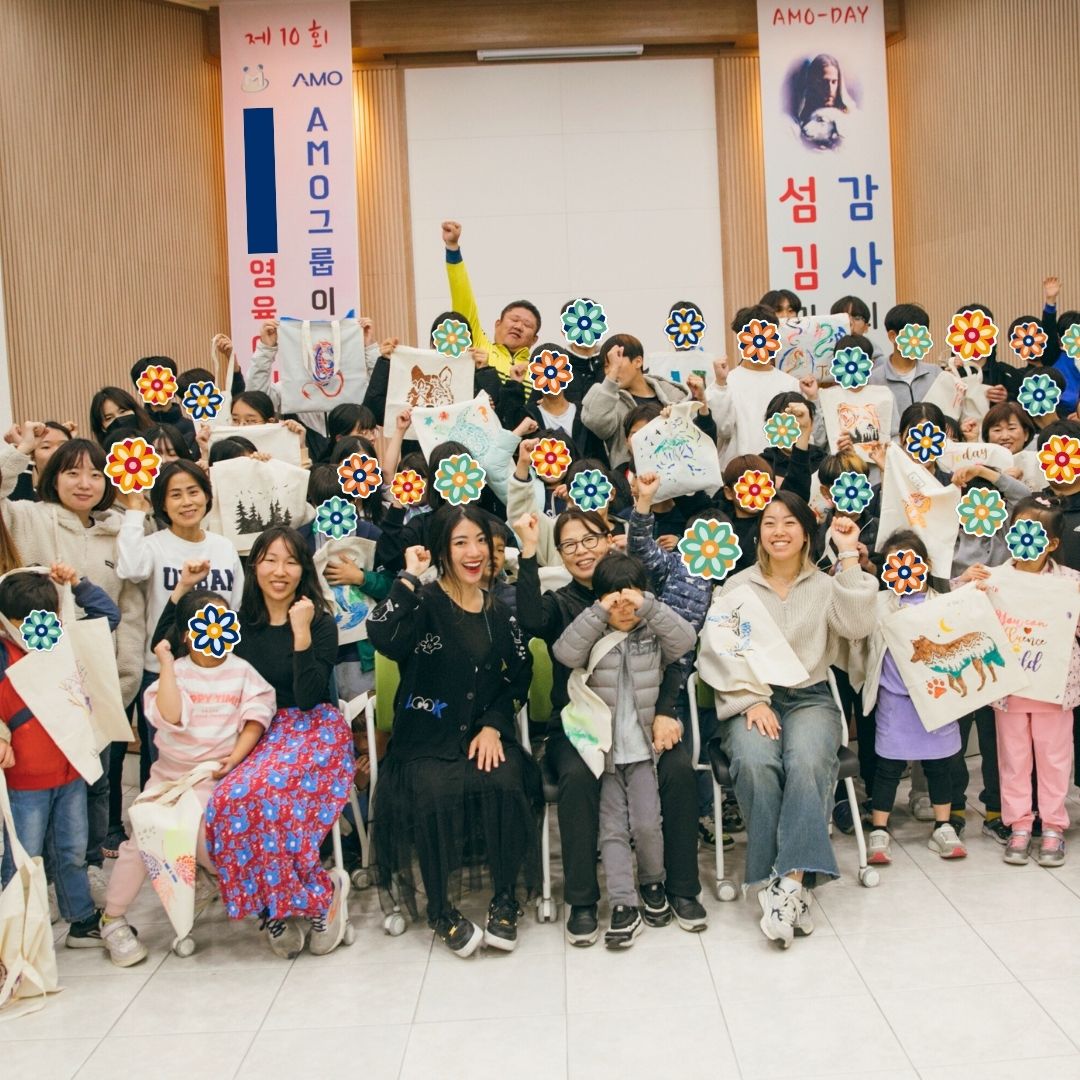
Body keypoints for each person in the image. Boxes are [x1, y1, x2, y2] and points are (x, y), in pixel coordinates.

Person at [156, 527, 353, 958]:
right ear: (255, 567)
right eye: (270, 560)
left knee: (268, 792)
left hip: (312, 729)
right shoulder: (237, 624)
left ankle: (323, 894)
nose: (280, 571)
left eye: (291, 562)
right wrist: (183, 590)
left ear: (303, 570)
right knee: (230, 798)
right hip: (254, 731)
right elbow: (168, 645)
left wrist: (300, 632)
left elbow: (308, 696)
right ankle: (274, 906)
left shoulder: (319, 621)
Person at [515, 509, 706, 944]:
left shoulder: (640, 594)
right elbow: (530, 621)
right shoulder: (562, 603)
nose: (581, 551)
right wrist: (527, 551)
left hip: (645, 720)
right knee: (579, 777)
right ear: (559, 553)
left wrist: (666, 711)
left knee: (677, 769)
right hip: (580, 726)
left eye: (589, 539)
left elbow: (676, 656)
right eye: (569, 544)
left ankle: (678, 887)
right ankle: (583, 899)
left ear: (608, 539)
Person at [703, 492, 876, 948]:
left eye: (789, 522)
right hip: (751, 698)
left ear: (805, 533)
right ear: (758, 533)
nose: (778, 531)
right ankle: (788, 886)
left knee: (807, 762)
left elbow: (858, 627)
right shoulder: (736, 587)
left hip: (810, 698)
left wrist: (849, 556)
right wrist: (750, 700)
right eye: (769, 522)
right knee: (756, 762)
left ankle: (788, 883)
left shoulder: (825, 586)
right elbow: (722, 653)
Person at [367, 506, 537, 957]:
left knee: (506, 778)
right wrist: (408, 577)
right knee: (434, 789)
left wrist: (495, 725)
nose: (473, 552)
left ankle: (505, 900)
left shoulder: (499, 614)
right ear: (443, 550)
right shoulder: (422, 603)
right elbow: (381, 633)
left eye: (480, 540)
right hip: (425, 738)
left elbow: (519, 675)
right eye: (460, 542)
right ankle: (441, 910)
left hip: (480, 734)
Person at [98, 590, 276, 966]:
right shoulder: (174, 673)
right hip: (169, 780)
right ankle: (112, 918)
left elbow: (256, 718)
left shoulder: (242, 671)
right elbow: (171, 715)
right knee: (141, 839)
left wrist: (235, 758)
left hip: (218, 777)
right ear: (187, 634)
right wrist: (165, 663)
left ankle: (216, 880)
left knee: (212, 832)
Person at [0, 433, 145, 883]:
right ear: (52, 476)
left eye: (96, 474)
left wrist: (124, 678)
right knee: (41, 785)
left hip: (97, 682)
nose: (85, 483)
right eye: (73, 472)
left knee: (96, 782)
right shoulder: (31, 517)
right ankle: (38, 879)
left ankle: (87, 869)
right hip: (38, 683)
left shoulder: (122, 530)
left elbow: (129, 609)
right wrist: (19, 451)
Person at [553, 551, 695, 947]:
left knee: (648, 823)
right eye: (613, 599)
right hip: (607, 754)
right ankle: (622, 903)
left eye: (630, 597)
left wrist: (647, 605)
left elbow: (686, 639)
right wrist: (598, 613)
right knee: (612, 830)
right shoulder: (593, 633)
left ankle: (653, 883)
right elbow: (565, 653)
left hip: (646, 752)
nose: (623, 607)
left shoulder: (652, 631)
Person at [0, 565, 121, 948]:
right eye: (22, 623)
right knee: (23, 856)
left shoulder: (64, 639)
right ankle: (16, 933)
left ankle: (81, 919)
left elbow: (108, 616)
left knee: (72, 852)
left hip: (70, 772)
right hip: (24, 781)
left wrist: (76, 584)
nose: (34, 630)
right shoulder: (2, 653)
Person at [116, 460, 244, 786]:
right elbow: (129, 568)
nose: (187, 502)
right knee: (165, 767)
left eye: (193, 492)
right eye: (175, 495)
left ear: (207, 496)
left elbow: (236, 606)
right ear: (162, 503)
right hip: (164, 671)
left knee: (212, 764)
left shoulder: (224, 547)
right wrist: (134, 511)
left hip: (216, 673)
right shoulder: (153, 545)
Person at [860, 530, 966, 865]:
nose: (904, 569)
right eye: (895, 563)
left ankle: (943, 825)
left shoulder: (942, 602)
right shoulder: (879, 604)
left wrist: (970, 583)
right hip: (895, 702)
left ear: (926, 564)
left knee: (939, 763)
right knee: (888, 766)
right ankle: (880, 828)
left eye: (910, 561)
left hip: (936, 700)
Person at [992, 497, 1080, 867]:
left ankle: (1054, 825)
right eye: (1018, 531)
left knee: (1054, 758)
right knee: (1013, 759)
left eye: (1034, 534)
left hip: (1054, 688)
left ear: (1053, 543)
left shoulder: (1070, 582)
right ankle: (1019, 824)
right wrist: (968, 584)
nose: (1024, 540)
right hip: (1009, 688)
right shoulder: (993, 579)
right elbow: (966, 617)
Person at [441, 220, 540, 385]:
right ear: (497, 324)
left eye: (527, 325)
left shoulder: (540, 372)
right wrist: (452, 248)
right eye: (514, 319)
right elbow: (463, 299)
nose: (518, 326)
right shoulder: (479, 346)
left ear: (534, 340)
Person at [581, 334, 694, 469]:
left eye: (616, 363)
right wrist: (612, 374)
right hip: (630, 478)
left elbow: (692, 436)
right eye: (607, 366)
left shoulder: (671, 394)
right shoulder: (610, 401)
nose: (611, 370)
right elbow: (596, 422)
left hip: (675, 474)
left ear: (638, 362)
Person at [708, 305, 801, 461]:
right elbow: (721, 430)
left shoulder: (790, 384)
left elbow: (801, 434)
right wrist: (720, 385)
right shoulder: (725, 382)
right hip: (735, 470)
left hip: (779, 470)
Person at [867, 303, 941, 415]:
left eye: (922, 335)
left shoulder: (935, 373)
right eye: (912, 334)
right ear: (892, 336)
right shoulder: (874, 380)